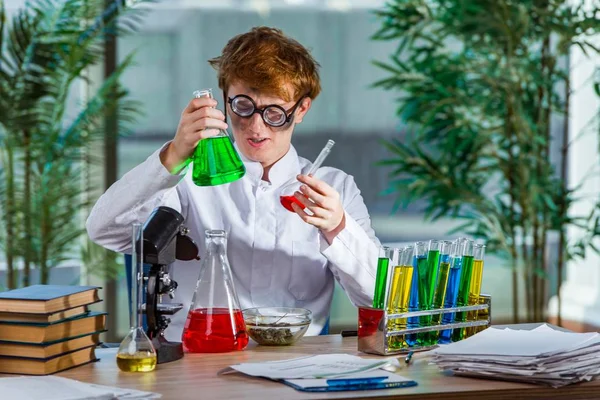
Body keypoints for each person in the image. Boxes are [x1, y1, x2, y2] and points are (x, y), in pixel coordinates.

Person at [86, 26, 381, 340]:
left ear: (301, 109)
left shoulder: (334, 189)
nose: (255, 127)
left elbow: (380, 300)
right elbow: (105, 230)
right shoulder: (188, 178)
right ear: (224, 101)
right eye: (242, 106)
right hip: (199, 360)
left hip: (295, 364)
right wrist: (173, 155)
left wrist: (338, 226)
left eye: (275, 113)